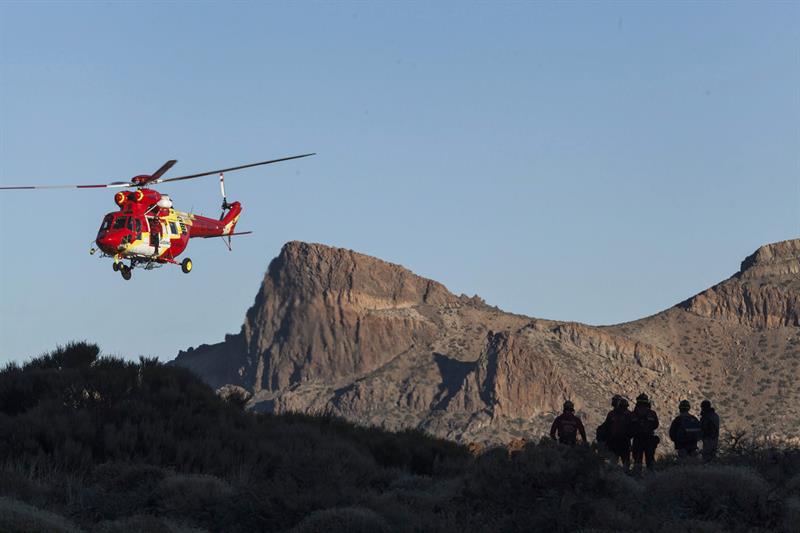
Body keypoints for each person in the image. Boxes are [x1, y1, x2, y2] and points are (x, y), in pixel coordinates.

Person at [630, 393, 659, 472]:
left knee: (637, 461)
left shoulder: (633, 414)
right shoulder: (652, 413)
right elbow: (656, 425)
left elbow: (629, 426)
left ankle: (637, 476)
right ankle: (651, 476)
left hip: (637, 440)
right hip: (649, 439)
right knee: (650, 461)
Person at [602, 396, 633, 469]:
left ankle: (621, 472)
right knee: (617, 461)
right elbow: (606, 426)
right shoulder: (612, 414)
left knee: (621, 461)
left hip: (622, 440)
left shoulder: (626, 414)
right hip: (616, 440)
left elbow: (632, 427)